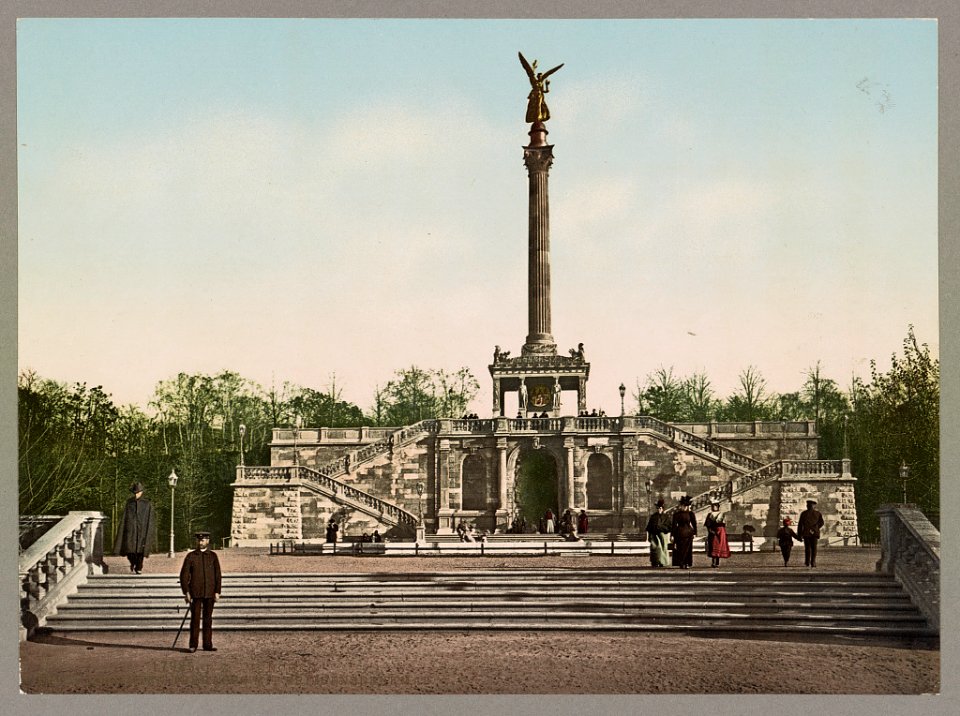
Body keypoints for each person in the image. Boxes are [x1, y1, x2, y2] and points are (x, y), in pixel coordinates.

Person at [179, 531, 222, 653]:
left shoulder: (213, 556)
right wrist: (186, 592)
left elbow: (218, 575)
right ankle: (193, 645)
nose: (200, 542)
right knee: (195, 620)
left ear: (208, 541)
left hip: (210, 592)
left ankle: (207, 644)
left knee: (208, 619)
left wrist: (217, 591)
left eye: (203, 540)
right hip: (195, 593)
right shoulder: (191, 556)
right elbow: (184, 575)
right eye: (198, 540)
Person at [113, 481, 158, 574]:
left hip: (142, 530)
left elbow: (150, 519)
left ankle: (139, 567)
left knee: (140, 551)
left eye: (138, 492)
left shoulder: (147, 504)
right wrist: (125, 528)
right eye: (135, 493)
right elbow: (125, 517)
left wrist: (148, 531)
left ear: (141, 492)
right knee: (130, 550)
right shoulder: (129, 503)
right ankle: (133, 563)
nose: (137, 494)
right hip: (131, 530)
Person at [670, 495, 697, 569]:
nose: (684, 507)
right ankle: (681, 563)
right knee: (680, 549)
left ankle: (687, 563)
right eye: (683, 506)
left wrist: (695, 533)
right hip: (679, 533)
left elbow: (694, 524)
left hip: (688, 533)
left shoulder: (691, 514)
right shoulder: (676, 514)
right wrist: (672, 535)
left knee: (688, 550)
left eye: (686, 506)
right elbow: (674, 526)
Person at [797, 499, 824, 567]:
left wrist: (799, 535)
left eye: (809, 505)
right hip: (813, 533)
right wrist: (816, 528)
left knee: (808, 548)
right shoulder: (817, 513)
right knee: (813, 548)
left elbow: (800, 525)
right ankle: (812, 562)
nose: (808, 506)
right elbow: (821, 523)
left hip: (807, 533)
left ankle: (808, 561)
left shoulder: (804, 513)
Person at [645, 499, 671, 568]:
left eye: (660, 508)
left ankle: (662, 562)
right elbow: (649, 527)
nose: (659, 510)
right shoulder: (653, 517)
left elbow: (669, 526)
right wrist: (648, 537)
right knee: (655, 548)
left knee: (663, 548)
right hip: (654, 535)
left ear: (662, 509)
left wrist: (661, 528)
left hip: (662, 535)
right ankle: (655, 562)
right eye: (658, 508)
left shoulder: (666, 517)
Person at [704, 498, 726, 568]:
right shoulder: (709, 515)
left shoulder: (721, 514)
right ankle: (713, 562)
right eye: (713, 506)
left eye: (716, 506)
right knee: (713, 547)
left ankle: (717, 562)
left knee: (718, 548)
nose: (714, 507)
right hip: (712, 533)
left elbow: (723, 524)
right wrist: (710, 531)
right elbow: (708, 524)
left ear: (718, 507)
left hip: (719, 533)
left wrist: (720, 531)